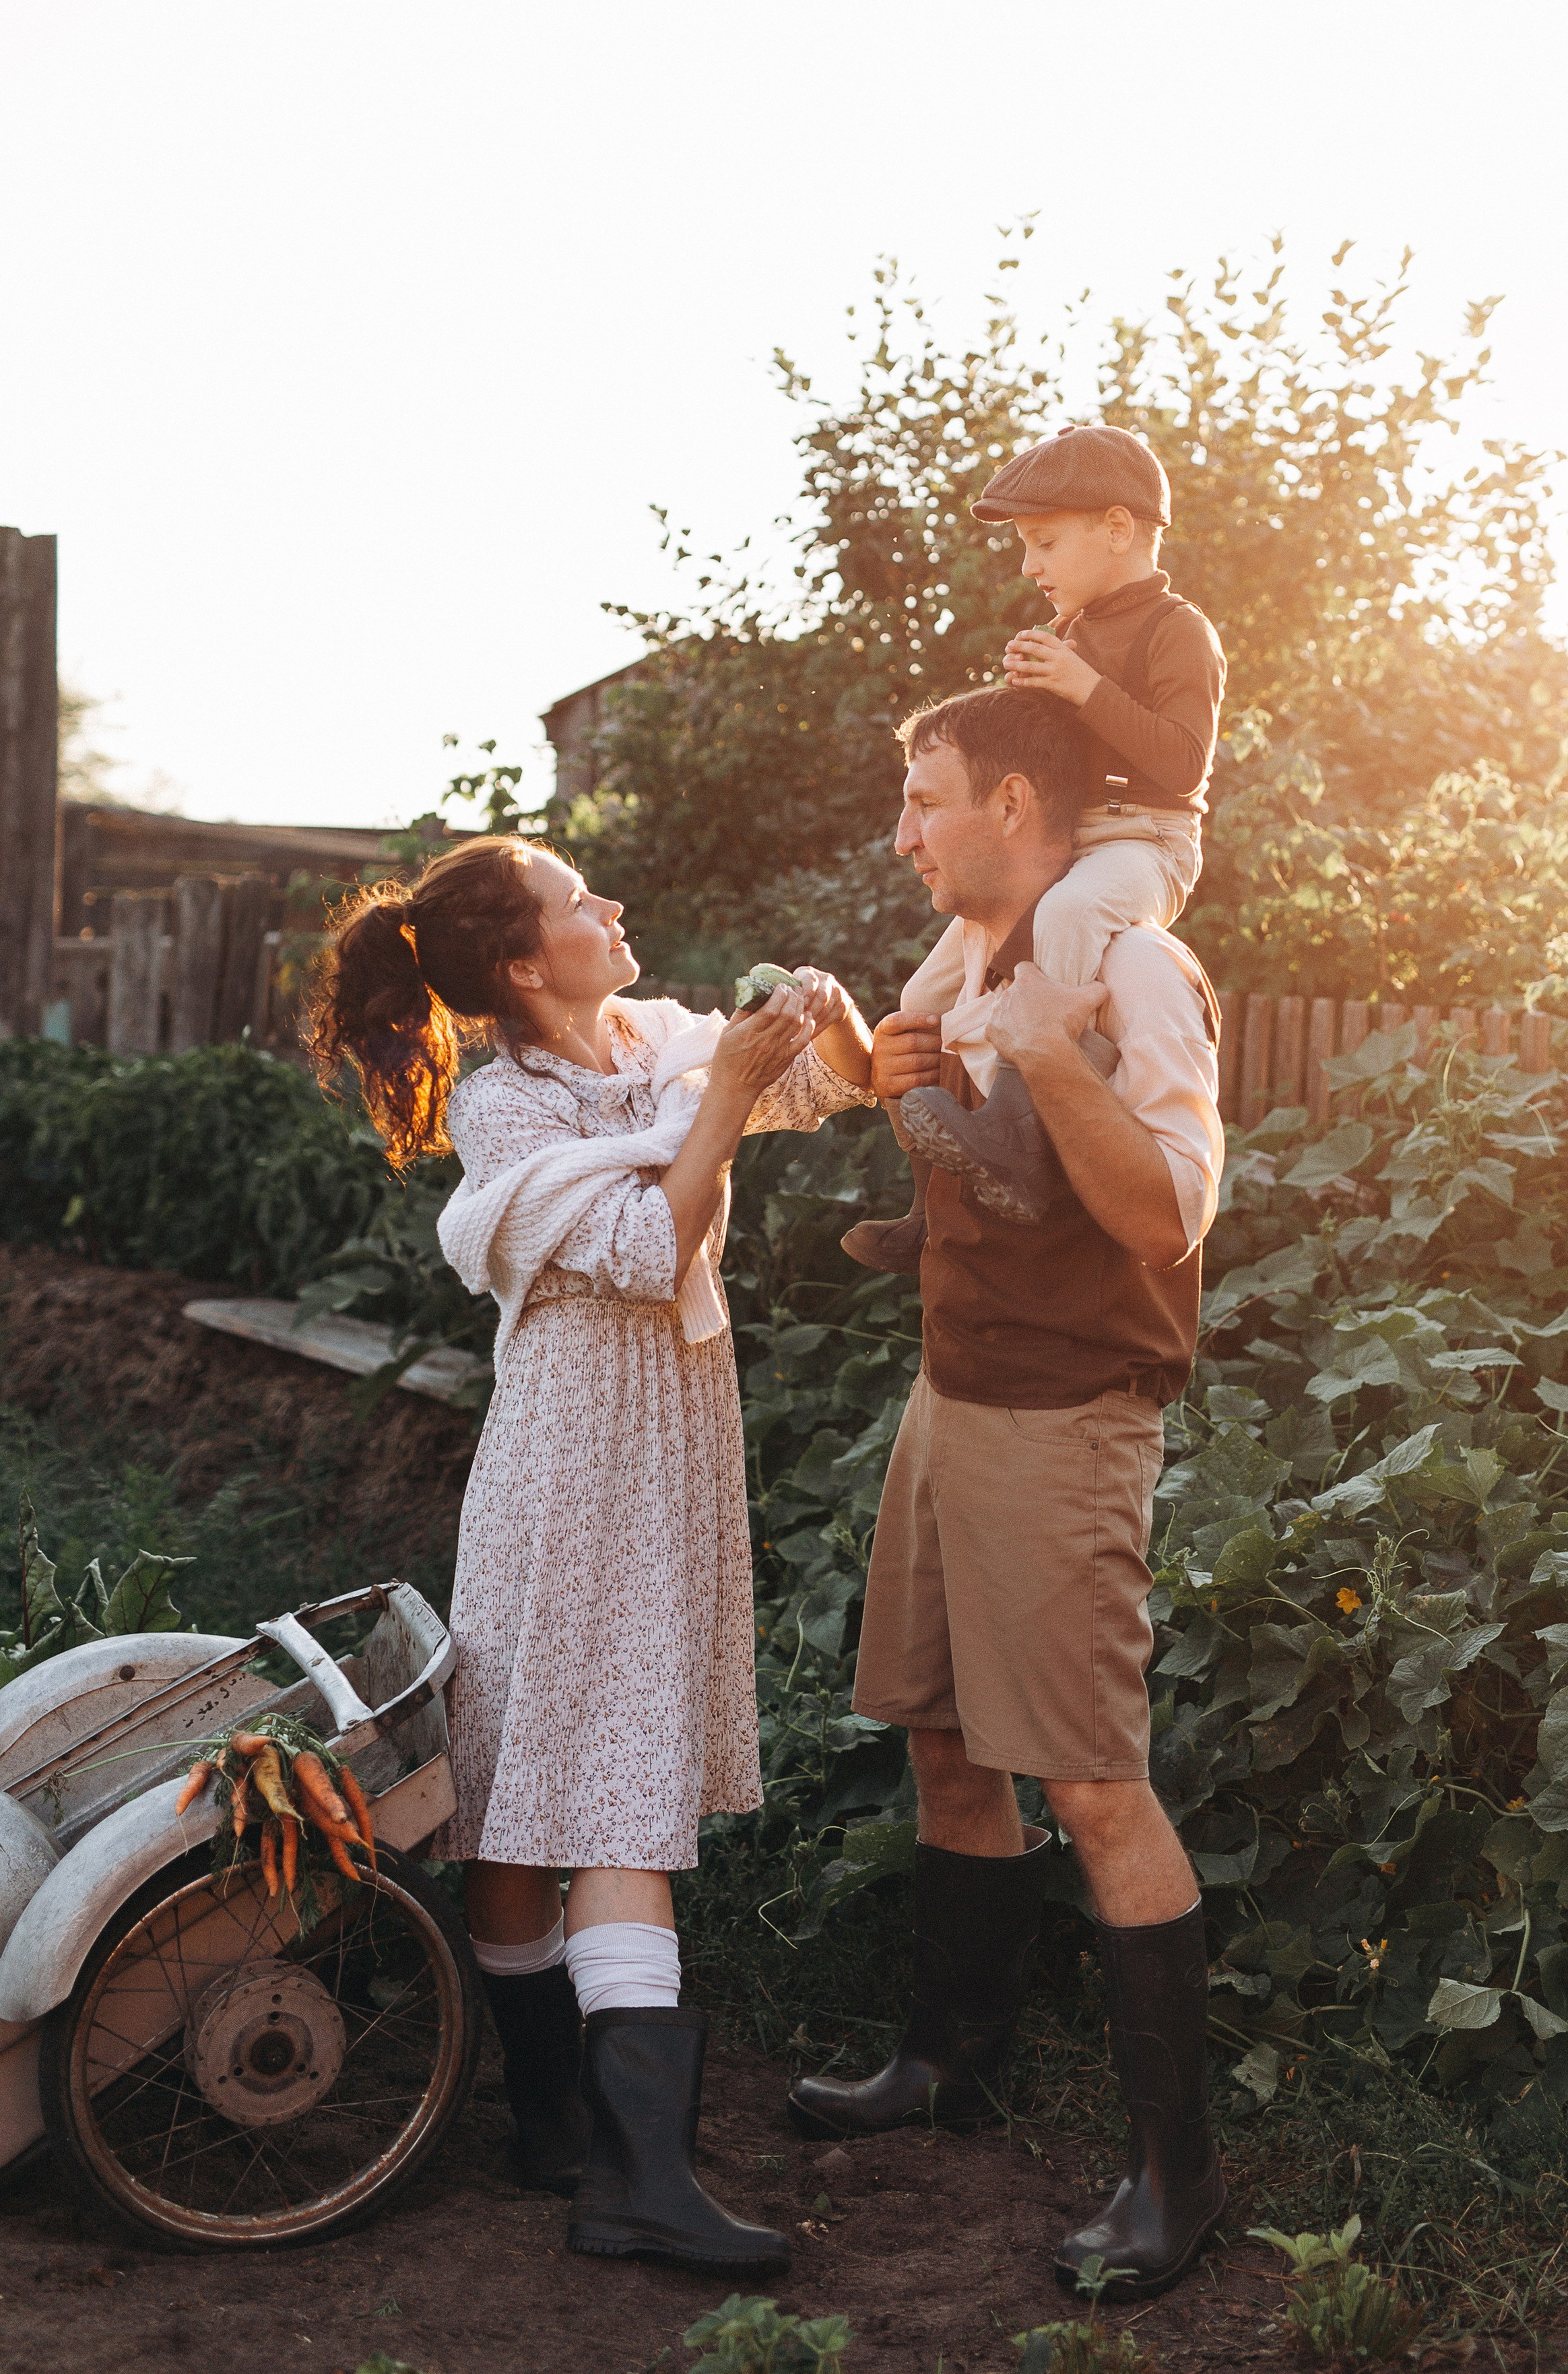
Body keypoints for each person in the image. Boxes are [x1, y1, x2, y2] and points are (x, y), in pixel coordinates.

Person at [308, 835, 874, 2274]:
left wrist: (827, 1019)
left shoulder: (649, 1044)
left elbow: (844, 1085)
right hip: (571, 1453)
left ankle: (556, 2130)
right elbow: (647, 1243)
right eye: (580, 904)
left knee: (544, 1776)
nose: (614, 908)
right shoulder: (506, 1110)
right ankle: (620, 2171)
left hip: (666, 1437)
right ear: (518, 964)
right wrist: (728, 1098)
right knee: (572, 1788)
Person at [789, 686, 1228, 2298]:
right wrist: (886, 1067)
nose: (900, 834)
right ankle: (945, 2063)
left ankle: (1172, 2180)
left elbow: (1163, 1219)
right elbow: (974, 1170)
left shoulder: (1124, 967)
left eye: (923, 800)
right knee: (937, 1732)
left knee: (1091, 1783)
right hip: (950, 1397)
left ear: (1016, 801)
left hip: (1063, 1418)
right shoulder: (958, 962)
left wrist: (1049, 1061)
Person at [842, 423, 1225, 1273]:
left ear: (1118, 529)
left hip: (1146, 841)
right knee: (923, 992)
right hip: (1077, 834)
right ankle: (926, 1206)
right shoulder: (1072, 630)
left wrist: (1081, 687)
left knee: (1070, 915)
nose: (1030, 567)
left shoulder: (1177, 631)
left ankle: (1027, 1128)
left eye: (1044, 543)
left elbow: (1183, 763)